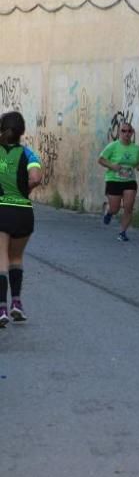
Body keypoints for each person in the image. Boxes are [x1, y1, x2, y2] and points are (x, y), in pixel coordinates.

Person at [0, 111, 43, 328]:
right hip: (23, 212)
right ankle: (16, 302)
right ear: (22, 132)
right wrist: (23, 190)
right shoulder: (28, 154)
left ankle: (1, 308)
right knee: (16, 258)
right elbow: (36, 177)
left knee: (1, 260)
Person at [98, 122, 139, 242]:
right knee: (115, 209)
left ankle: (122, 232)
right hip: (113, 180)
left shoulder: (136, 149)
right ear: (119, 132)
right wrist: (112, 166)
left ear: (132, 133)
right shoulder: (113, 146)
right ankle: (109, 211)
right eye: (123, 131)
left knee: (128, 207)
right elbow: (100, 160)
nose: (126, 134)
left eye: (129, 131)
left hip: (129, 181)